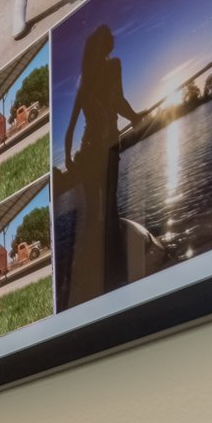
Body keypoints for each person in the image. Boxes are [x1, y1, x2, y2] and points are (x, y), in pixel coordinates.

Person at [61, 23, 145, 306]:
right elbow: (119, 101)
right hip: (105, 148)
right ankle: (114, 279)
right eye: (110, 37)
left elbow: (70, 129)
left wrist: (71, 159)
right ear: (104, 43)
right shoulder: (114, 67)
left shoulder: (85, 81)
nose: (114, 39)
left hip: (88, 151)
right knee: (108, 209)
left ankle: (96, 283)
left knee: (96, 215)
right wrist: (134, 118)